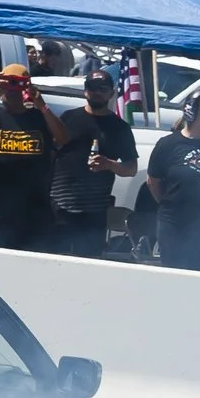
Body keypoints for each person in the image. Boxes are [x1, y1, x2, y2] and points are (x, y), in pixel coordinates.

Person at [0, 65, 66, 248]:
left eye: (17, 84)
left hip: (36, 213)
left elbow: (63, 138)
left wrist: (41, 104)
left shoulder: (40, 117)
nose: (11, 90)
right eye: (7, 84)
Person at [47, 67, 135, 257]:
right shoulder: (68, 118)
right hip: (59, 207)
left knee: (87, 263)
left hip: (94, 212)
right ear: (85, 91)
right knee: (54, 261)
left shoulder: (120, 128)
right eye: (92, 88)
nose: (97, 92)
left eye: (102, 89)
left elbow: (131, 169)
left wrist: (109, 164)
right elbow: (51, 154)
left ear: (111, 93)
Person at [147, 82, 200, 273]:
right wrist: (168, 202)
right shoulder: (168, 144)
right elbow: (153, 180)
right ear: (190, 112)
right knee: (173, 273)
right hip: (174, 223)